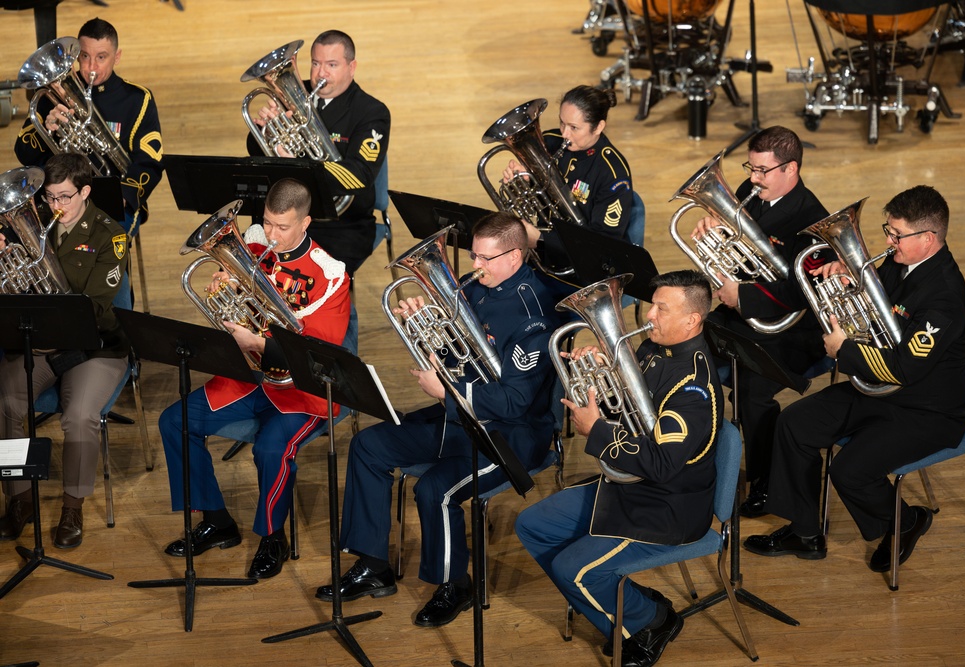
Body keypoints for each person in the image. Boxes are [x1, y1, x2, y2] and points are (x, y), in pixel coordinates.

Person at [318, 211, 557, 627]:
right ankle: (373, 565)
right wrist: (423, 327)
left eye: (485, 258)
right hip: (458, 416)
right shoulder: (473, 287)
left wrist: (449, 391)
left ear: (515, 257)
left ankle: (454, 585)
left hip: (511, 435)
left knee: (436, 489)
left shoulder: (534, 315)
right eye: (474, 255)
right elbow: (454, 354)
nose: (474, 265)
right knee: (368, 445)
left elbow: (516, 401)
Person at [744, 185, 965, 574]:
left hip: (929, 409)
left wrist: (844, 350)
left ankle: (905, 521)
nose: (888, 240)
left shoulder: (944, 296)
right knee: (794, 424)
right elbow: (877, 312)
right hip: (882, 392)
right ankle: (805, 532)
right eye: (889, 229)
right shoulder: (900, 263)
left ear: (929, 239)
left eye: (897, 235)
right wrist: (850, 282)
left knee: (849, 470)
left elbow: (904, 368)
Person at [516, 270, 723, 667]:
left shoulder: (693, 389)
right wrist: (598, 379)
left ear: (692, 320)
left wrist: (595, 430)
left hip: (666, 508)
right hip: (628, 487)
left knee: (572, 571)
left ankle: (651, 622)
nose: (649, 314)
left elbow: (662, 464)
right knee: (532, 526)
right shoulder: (650, 348)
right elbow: (625, 414)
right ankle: (632, 605)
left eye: (662, 308)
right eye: (651, 303)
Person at [157, 178, 350, 579]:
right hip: (248, 379)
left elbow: (317, 355)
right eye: (267, 223)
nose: (272, 235)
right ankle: (216, 521)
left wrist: (259, 343)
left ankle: (272, 536)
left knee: (269, 449)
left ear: (305, 223)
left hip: (301, 391)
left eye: (283, 227)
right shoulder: (255, 244)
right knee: (173, 421)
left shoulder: (331, 275)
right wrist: (224, 286)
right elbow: (241, 297)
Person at [691, 125, 829, 518]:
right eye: (750, 167)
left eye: (762, 171)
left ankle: (766, 480)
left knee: (752, 393)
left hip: (792, 330)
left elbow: (802, 294)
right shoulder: (753, 193)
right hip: (742, 318)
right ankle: (693, 456)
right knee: (680, 348)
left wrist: (744, 296)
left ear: (792, 169)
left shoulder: (812, 222)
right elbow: (735, 247)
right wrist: (713, 228)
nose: (752, 179)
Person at [0, 153, 130, 549]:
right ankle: (20, 499)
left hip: (95, 347)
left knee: (78, 415)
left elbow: (95, 309)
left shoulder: (110, 235)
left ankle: (72, 506)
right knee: (7, 401)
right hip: (40, 340)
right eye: (50, 198)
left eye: (64, 197)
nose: (56, 206)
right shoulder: (35, 226)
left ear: (85, 191)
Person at [247, 29, 390, 278]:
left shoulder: (371, 112)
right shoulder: (292, 95)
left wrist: (301, 165)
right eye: (315, 63)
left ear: (351, 67)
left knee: (300, 277)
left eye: (331, 65)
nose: (320, 74)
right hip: (284, 217)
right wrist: (266, 128)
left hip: (341, 224)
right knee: (249, 267)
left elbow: (360, 175)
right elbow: (254, 150)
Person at [14, 17, 164, 237]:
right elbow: (24, 154)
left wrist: (123, 196)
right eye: (85, 56)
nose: (91, 67)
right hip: (57, 198)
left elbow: (150, 162)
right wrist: (47, 129)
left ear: (117, 57)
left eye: (101, 57)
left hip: (114, 200)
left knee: (101, 246)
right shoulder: (53, 95)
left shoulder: (137, 100)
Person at [501, 84, 633, 284]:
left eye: (574, 128)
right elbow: (535, 199)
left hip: (583, 272)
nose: (564, 134)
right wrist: (521, 182)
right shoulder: (549, 142)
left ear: (598, 127)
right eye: (562, 123)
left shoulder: (613, 172)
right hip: (543, 256)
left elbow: (604, 244)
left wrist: (542, 240)